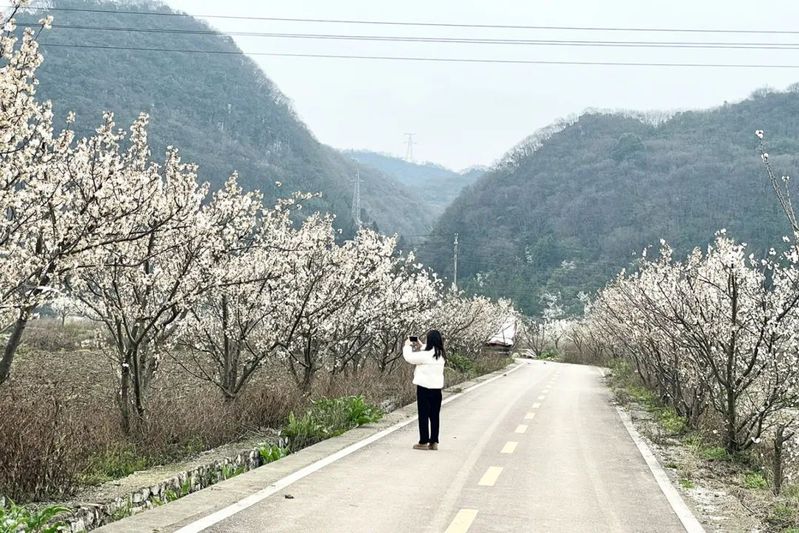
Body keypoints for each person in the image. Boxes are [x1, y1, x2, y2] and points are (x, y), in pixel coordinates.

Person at [402, 330, 446, 451]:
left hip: (424, 388)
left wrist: (407, 346)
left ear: (430, 340)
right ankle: (434, 441)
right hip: (437, 390)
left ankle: (423, 441)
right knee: (434, 416)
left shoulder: (425, 355)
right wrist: (421, 345)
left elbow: (410, 358)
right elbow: (428, 350)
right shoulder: (441, 355)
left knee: (423, 415)